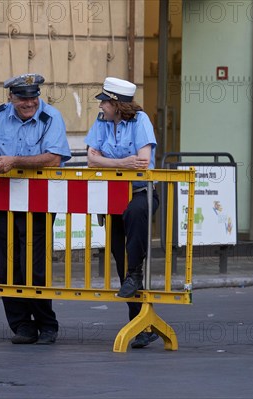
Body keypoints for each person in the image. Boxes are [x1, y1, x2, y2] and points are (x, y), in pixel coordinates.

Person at [0, 73, 71, 345]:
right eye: (23, 99)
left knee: (34, 264)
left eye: (33, 97)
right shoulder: (1, 116)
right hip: (5, 198)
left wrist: (14, 160)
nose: (29, 104)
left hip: (38, 199)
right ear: (11, 98)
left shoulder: (51, 117)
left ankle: (46, 324)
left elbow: (53, 159)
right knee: (7, 265)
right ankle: (21, 325)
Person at [85, 77, 160, 349]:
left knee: (134, 216)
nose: (101, 105)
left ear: (117, 104)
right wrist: (121, 162)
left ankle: (136, 272)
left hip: (141, 193)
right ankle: (141, 324)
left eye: (105, 101)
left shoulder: (140, 122)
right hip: (114, 194)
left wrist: (111, 163)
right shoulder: (102, 122)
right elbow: (91, 159)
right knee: (119, 253)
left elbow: (141, 164)